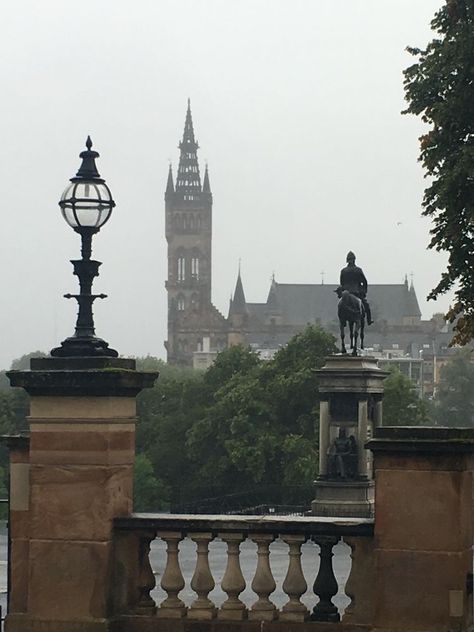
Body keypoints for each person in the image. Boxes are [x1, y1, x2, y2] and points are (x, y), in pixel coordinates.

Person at [340, 251, 373, 325]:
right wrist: (364, 291)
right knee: (366, 306)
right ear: (354, 259)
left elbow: (342, 283)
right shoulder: (358, 270)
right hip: (356, 292)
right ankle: (369, 320)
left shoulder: (343, 271)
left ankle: (342, 320)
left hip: (346, 293)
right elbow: (364, 282)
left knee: (340, 305)